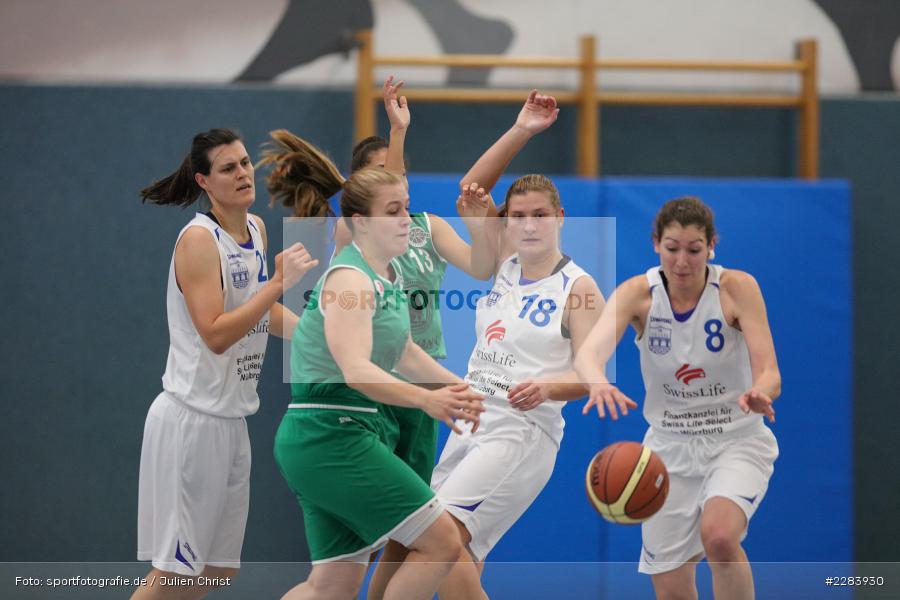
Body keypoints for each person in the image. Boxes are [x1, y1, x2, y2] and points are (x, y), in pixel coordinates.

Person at [259, 130, 485, 600]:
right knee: (441, 540)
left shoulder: (384, 275)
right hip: (330, 434)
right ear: (359, 222)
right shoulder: (350, 278)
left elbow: (403, 352)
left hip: (341, 434)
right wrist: (428, 399)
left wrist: (467, 387)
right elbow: (356, 370)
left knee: (329, 588)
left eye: (406, 206)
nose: (407, 220)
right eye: (393, 211)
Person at [422, 100, 604, 596]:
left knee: (440, 542)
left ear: (560, 217)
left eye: (539, 215)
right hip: (471, 420)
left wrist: (547, 387)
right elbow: (471, 189)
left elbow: (591, 378)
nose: (528, 225)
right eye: (518, 216)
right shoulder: (503, 258)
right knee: (455, 559)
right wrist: (522, 128)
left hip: (522, 432)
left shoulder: (579, 288)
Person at [133, 128, 318, 600]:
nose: (242, 173)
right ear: (205, 181)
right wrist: (278, 283)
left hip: (232, 421)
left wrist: (317, 336)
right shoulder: (198, 241)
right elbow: (215, 333)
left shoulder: (254, 228)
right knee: (174, 573)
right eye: (228, 168)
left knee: (217, 571)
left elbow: (260, 309)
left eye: (244, 163)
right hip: (190, 421)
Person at [574, 196, 780, 600]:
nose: (682, 261)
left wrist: (761, 391)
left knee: (719, 537)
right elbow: (587, 354)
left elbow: (770, 370)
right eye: (672, 249)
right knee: (670, 586)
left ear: (712, 245)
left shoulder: (737, 288)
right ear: (656, 244)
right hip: (668, 448)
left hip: (735, 440)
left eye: (694, 249)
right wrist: (597, 381)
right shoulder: (638, 294)